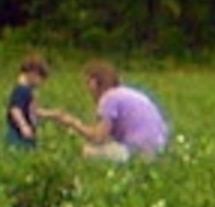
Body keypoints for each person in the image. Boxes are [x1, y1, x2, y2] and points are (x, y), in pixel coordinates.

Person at [43, 60, 172, 163]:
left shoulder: (108, 98)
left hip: (137, 152)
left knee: (87, 151)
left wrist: (72, 122)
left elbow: (98, 137)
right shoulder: (126, 93)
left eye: (87, 83)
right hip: (159, 150)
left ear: (94, 83)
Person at [4, 54, 49, 149]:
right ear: (32, 74)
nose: (41, 83)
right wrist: (23, 126)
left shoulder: (28, 91)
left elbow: (33, 109)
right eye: (41, 78)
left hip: (27, 132)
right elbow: (15, 109)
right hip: (18, 133)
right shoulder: (22, 90)